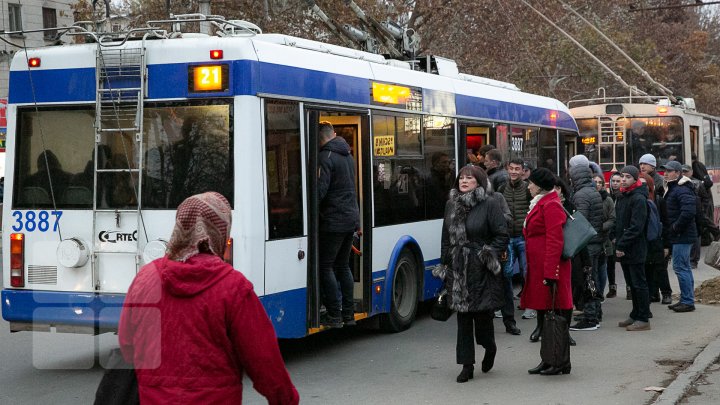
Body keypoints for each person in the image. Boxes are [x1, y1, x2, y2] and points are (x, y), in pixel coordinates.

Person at [118, 192, 299, 404]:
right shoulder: (233, 287)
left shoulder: (145, 278)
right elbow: (263, 359)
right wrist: (285, 399)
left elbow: (127, 342)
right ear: (220, 231)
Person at [437, 165, 509, 383]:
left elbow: (501, 235)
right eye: (461, 178)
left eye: (469, 178)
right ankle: (466, 365)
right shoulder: (451, 204)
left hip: (481, 269)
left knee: (482, 316)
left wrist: (485, 255)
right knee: (463, 318)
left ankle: (490, 347)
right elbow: (445, 238)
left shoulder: (490, 204)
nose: (464, 181)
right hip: (458, 268)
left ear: (479, 181)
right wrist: (445, 264)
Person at [521, 168, 573, 375]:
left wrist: (551, 273)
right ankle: (548, 358)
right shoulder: (543, 202)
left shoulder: (551, 204)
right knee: (545, 315)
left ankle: (559, 361)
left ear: (540, 185)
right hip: (541, 267)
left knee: (555, 317)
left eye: (531, 183)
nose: (529, 186)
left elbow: (555, 240)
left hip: (550, 269)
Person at [317, 122, 360, 328]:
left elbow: (321, 190)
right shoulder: (348, 156)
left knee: (326, 267)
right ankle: (349, 314)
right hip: (350, 219)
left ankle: (334, 315)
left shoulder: (325, 157)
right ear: (333, 134)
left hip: (333, 221)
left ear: (320, 139)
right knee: (342, 265)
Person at [567, 154, 604, 331]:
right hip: (595, 242)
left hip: (586, 244)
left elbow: (579, 221)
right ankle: (596, 313)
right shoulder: (592, 191)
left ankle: (590, 318)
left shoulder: (581, 195)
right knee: (593, 279)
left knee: (587, 281)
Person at [614, 166, 652, 331]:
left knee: (639, 283)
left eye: (628, 177)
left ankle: (643, 318)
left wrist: (622, 244)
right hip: (625, 246)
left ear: (635, 179)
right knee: (631, 283)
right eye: (622, 176)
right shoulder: (623, 196)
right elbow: (619, 222)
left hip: (635, 247)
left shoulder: (638, 198)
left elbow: (636, 227)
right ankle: (635, 314)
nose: (623, 179)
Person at [498, 158, 532, 332]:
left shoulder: (527, 189)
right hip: (507, 237)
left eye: (517, 169)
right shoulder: (501, 188)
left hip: (523, 237)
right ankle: (505, 306)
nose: (513, 171)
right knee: (507, 273)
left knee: (527, 272)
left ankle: (530, 306)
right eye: (511, 168)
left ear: (522, 171)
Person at [662, 160, 698, 313]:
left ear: (677, 173)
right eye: (665, 171)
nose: (665, 173)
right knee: (683, 267)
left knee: (681, 267)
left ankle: (688, 301)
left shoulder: (681, 189)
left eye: (669, 171)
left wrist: (675, 227)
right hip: (680, 235)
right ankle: (686, 299)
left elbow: (689, 212)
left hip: (682, 235)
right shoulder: (675, 187)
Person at [639, 173, 673, 306]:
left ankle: (666, 293)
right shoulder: (637, 200)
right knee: (647, 268)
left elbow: (665, 223)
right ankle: (653, 293)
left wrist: (666, 245)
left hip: (657, 240)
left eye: (644, 184)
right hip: (644, 240)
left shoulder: (658, 201)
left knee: (660, 268)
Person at [594, 175, 615, 301]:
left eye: (599, 182)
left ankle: (600, 293)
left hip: (603, 237)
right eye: (594, 182)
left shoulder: (607, 200)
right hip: (590, 237)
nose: (597, 184)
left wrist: (601, 227)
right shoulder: (587, 197)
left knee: (602, 267)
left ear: (603, 185)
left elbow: (612, 219)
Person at [606, 172, 622, 298]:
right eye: (613, 181)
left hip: (620, 233)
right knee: (610, 263)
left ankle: (629, 289)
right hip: (610, 234)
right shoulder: (608, 196)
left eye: (618, 181)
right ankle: (612, 287)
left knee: (624, 262)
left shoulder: (623, 197)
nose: (615, 183)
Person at [425, 152, 454, 218]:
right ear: (436, 163)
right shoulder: (431, 179)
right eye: (444, 162)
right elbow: (442, 199)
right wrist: (447, 183)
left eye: (448, 162)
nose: (447, 165)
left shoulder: (448, 175)